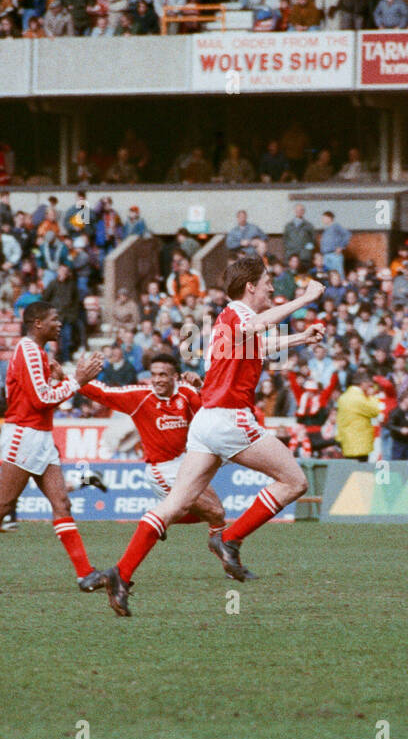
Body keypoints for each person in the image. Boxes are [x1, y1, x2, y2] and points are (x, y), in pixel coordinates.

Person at [100, 258, 326, 616]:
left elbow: (260, 346)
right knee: (294, 480)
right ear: (250, 286)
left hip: (206, 421)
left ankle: (121, 573)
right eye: (267, 282)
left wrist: (301, 336)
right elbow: (261, 324)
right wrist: (306, 298)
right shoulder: (238, 315)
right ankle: (231, 538)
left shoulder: (228, 321)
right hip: (230, 419)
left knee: (173, 505)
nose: (272, 288)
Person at [0, 301, 104, 594]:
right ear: (38, 323)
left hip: (39, 436)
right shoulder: (28, 351)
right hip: (24, 436)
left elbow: (39, 395)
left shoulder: (36, 352)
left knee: (61, 503)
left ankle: (86, 574)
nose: (59, 323)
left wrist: (61, 379)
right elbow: (41, 399)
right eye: (54, 319)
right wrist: (76, 380)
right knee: (1, 505)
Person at [77, 352, 240, 577]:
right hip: (162, 469)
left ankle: (161, 521)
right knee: (213, 511)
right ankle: (161, 523)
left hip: (186, 463)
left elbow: (211, 413)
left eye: (163, 374)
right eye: (153, 375)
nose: (157, 380)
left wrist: (201, 386)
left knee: (218, 514)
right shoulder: (139, 396)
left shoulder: (186, 393)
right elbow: (103, 393)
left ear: (175, 376)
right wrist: (73, 379)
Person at [336, 370, 384, 461]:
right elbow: (375, 410)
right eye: (369, 384)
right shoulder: (359, 398)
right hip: (359, 442)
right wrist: (371, 396)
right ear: (363, 383)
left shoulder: (343, 397)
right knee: (361, 471)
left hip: (346, 440)